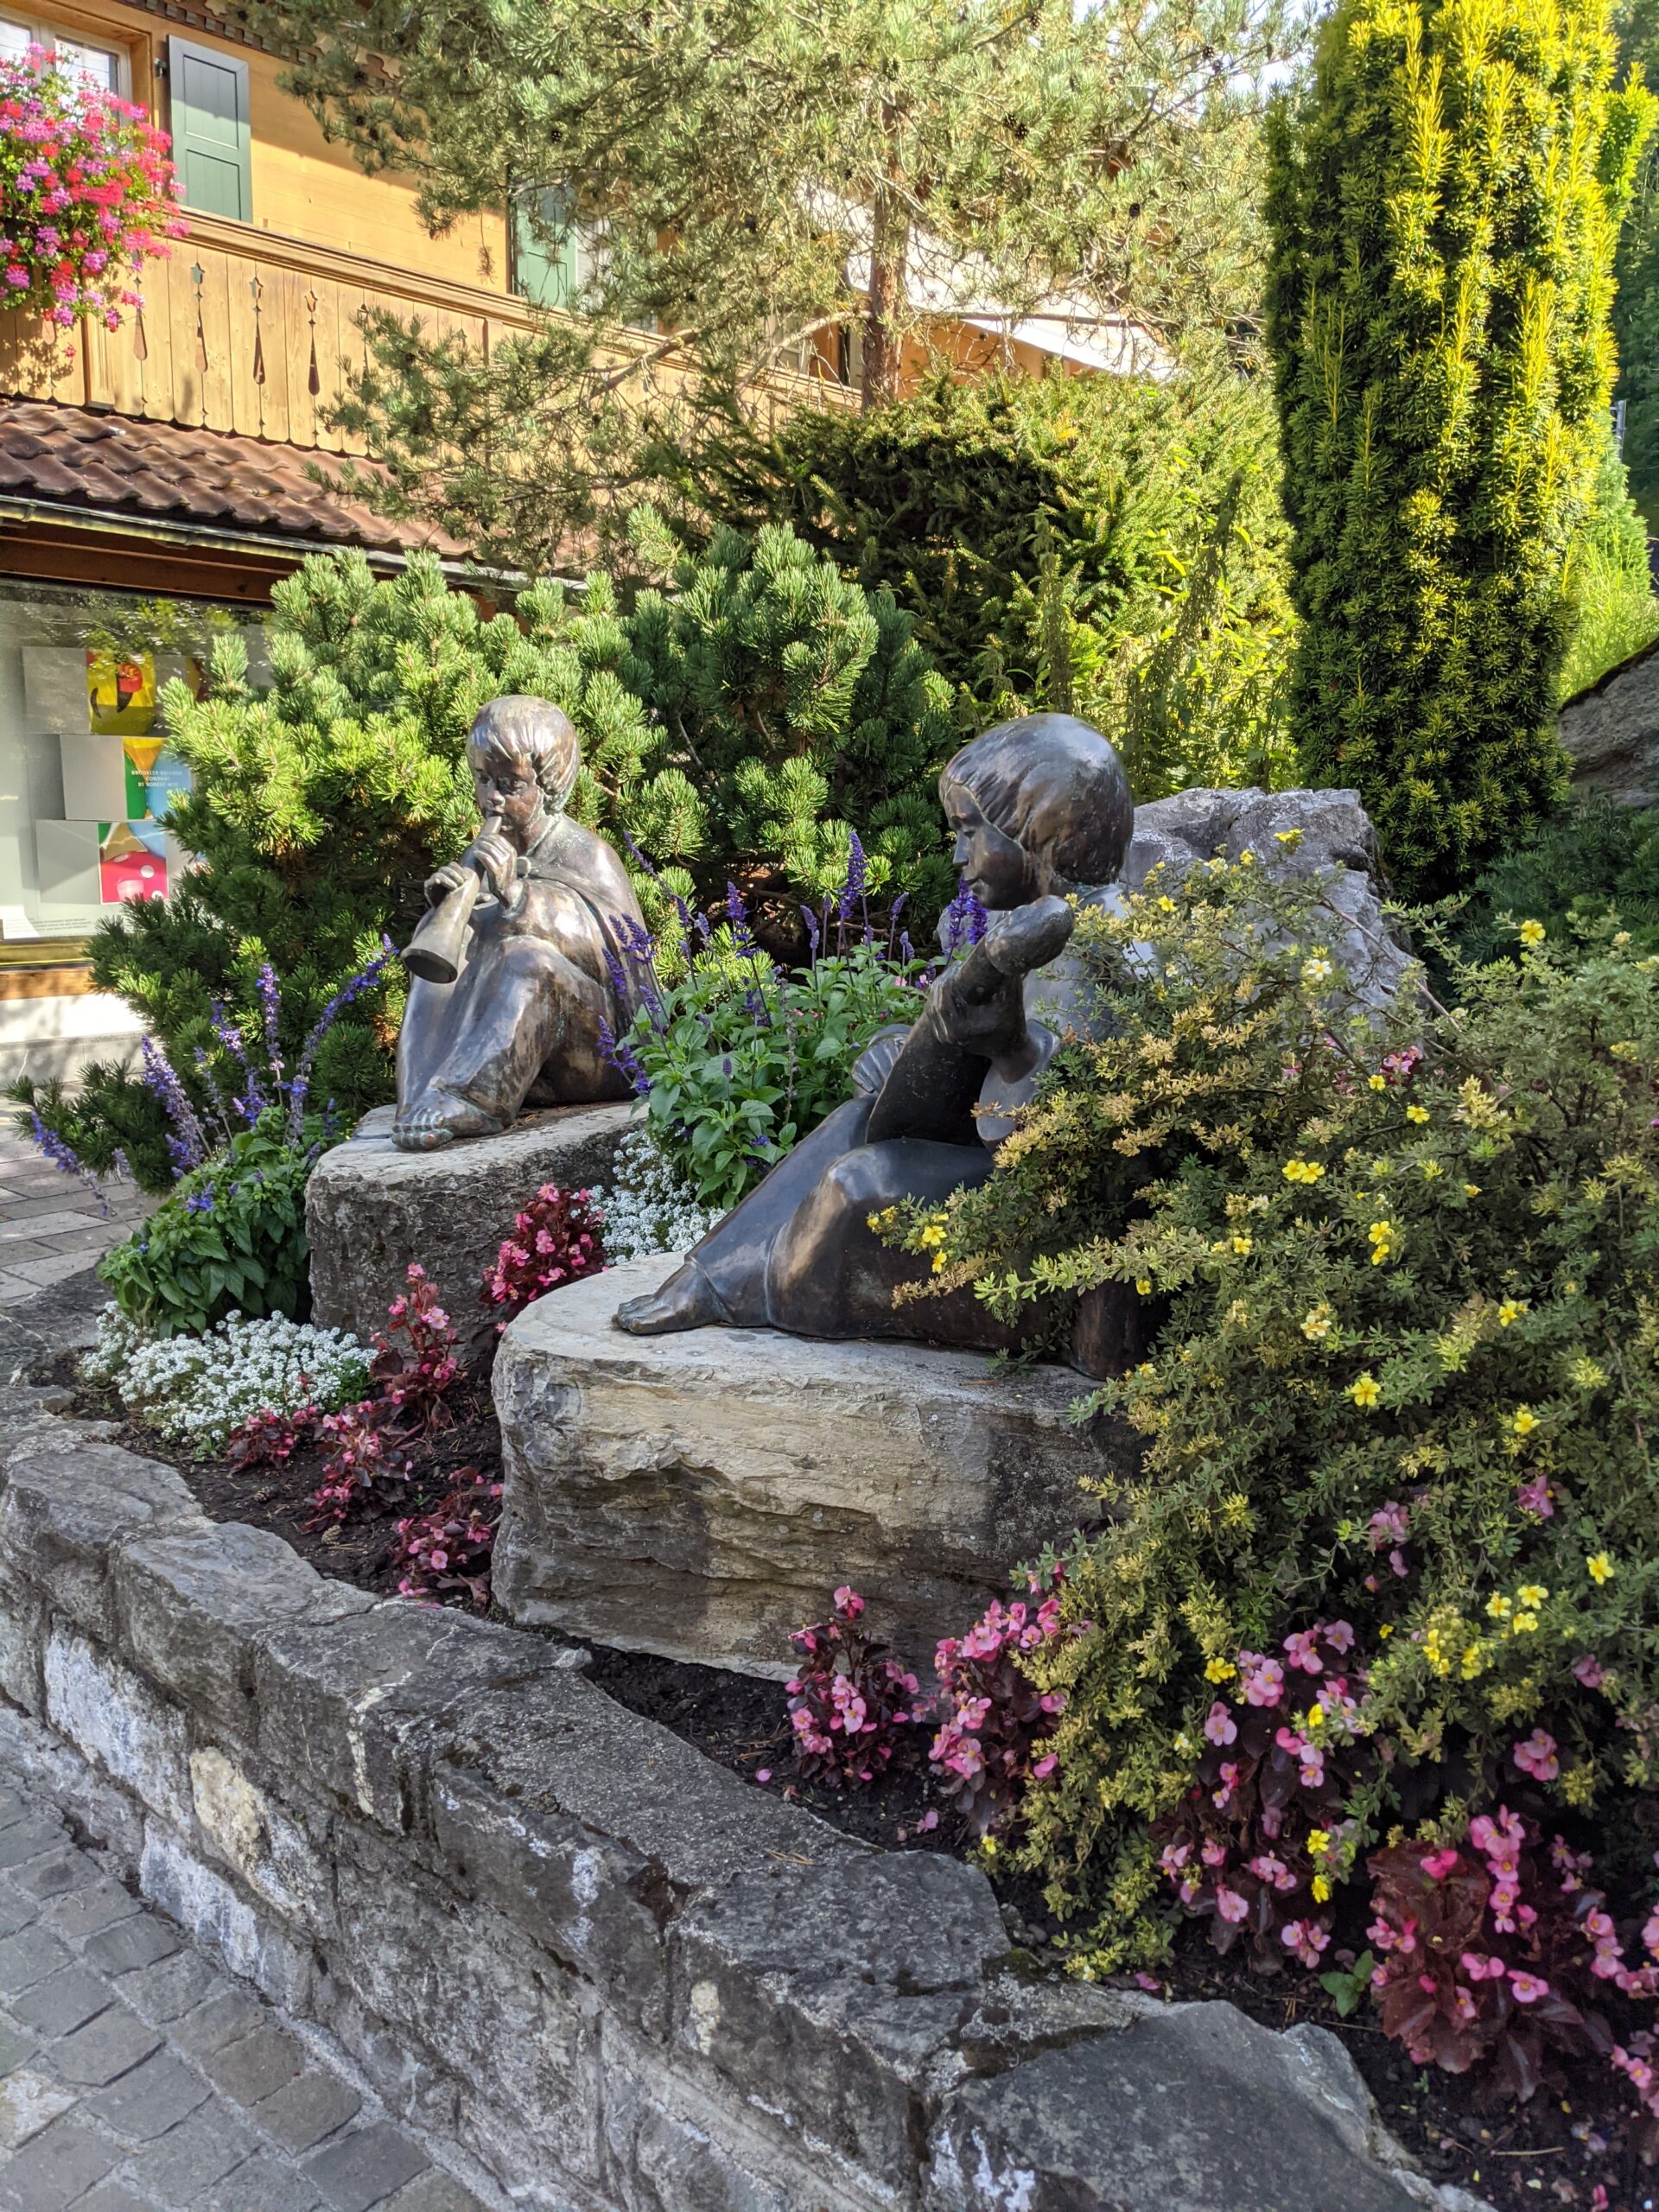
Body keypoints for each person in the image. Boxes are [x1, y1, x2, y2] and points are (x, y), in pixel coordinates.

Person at [613, 712, 1139, 1370]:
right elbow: (936, 1109)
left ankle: (770, 1291)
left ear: (1040, 831)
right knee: (854, 1122)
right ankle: (715, 1279)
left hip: (1052, 1244)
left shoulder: (1103, 954)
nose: (958, 856)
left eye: (970, 832)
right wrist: (926, 1047)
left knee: (857, 1183)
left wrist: (1012, 1051)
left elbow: (1069, 1149)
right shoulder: (1029, 929)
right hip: (1013, 1190)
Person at [392, 696, 645, 1151]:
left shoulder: (589, 855)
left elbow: (615, 954)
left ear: (549, 786)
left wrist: (518, 896)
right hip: (529, 1062)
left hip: (601, 1052)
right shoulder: (481, 853)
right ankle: (419, 1095)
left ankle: (474, 1100)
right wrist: (447, 912)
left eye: (510, 785)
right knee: (443, 950)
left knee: (527, 958)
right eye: (483, 779)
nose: (492, 797)